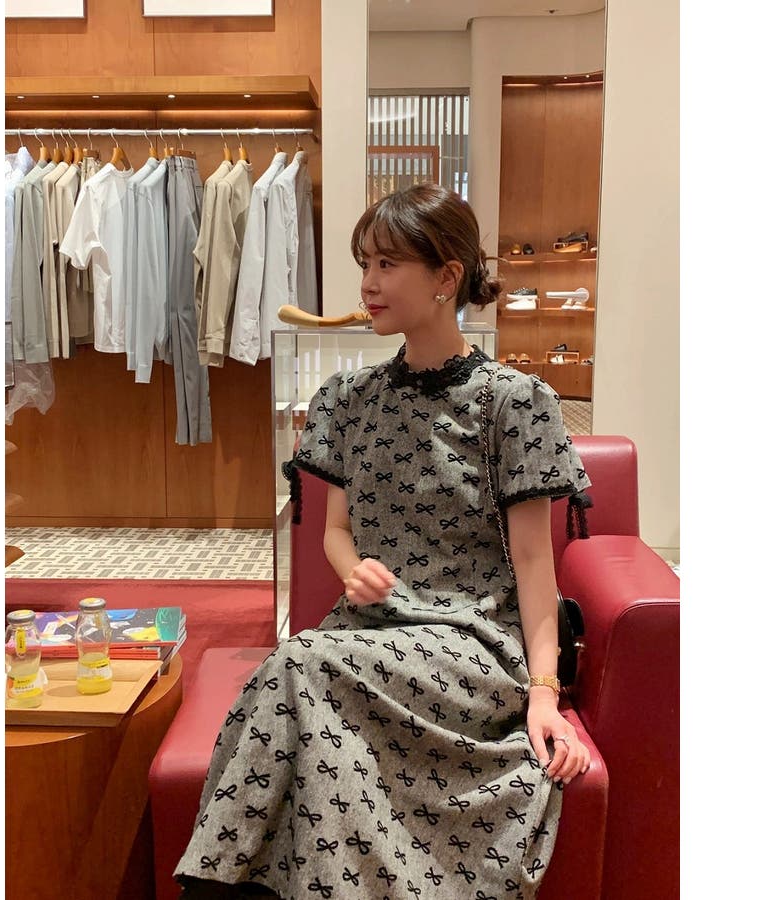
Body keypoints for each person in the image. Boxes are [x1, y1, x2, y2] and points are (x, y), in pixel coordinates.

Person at [174, 183, 592, 899]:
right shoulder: (348, 398)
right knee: (303, 681)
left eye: (387, 265)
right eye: (364, 263)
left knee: (297, 661)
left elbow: (532, 564)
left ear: (446, 277)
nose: (367, 284)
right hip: (368, 630)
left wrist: (544, 693)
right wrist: (352, 569)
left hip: (469, 643)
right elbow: (335, 531)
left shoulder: (514, 403)